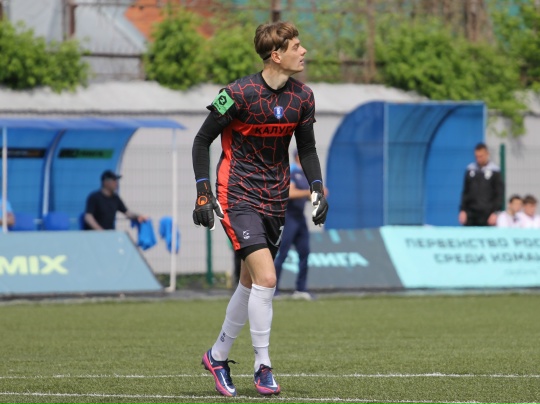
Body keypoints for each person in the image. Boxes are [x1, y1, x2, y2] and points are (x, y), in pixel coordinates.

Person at [191, 21, 328, 397]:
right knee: (267, 279)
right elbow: (202, 140)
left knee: (249, 283)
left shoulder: (303, 97)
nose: (303, 51)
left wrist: (316, 188)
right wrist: (203, 192)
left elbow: (308, 149)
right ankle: (262, 365)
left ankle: (217, 356)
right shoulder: (235, 94)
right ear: (276, 55)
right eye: (296, 46)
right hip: (236, 194)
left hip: (275, 198)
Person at [274, 150, 319, 300]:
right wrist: (308, 192)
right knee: (282, 253)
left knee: (305, 252)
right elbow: (290, 193)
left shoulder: (304, 174)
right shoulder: (292, 171)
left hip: (300, 218)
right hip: (288, 217)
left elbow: (306, 195)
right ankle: (273, 290)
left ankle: (301, 288)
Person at [458, 143, 504, 226]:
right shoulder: (470, 169)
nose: (478, 159)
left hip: (487, 215)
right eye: (477, 156)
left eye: (481, 156)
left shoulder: (495, 171)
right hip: (471, 214)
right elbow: (465, 192)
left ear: (487, 154)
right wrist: (462, 210)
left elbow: (499, 194)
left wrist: (495, 212)